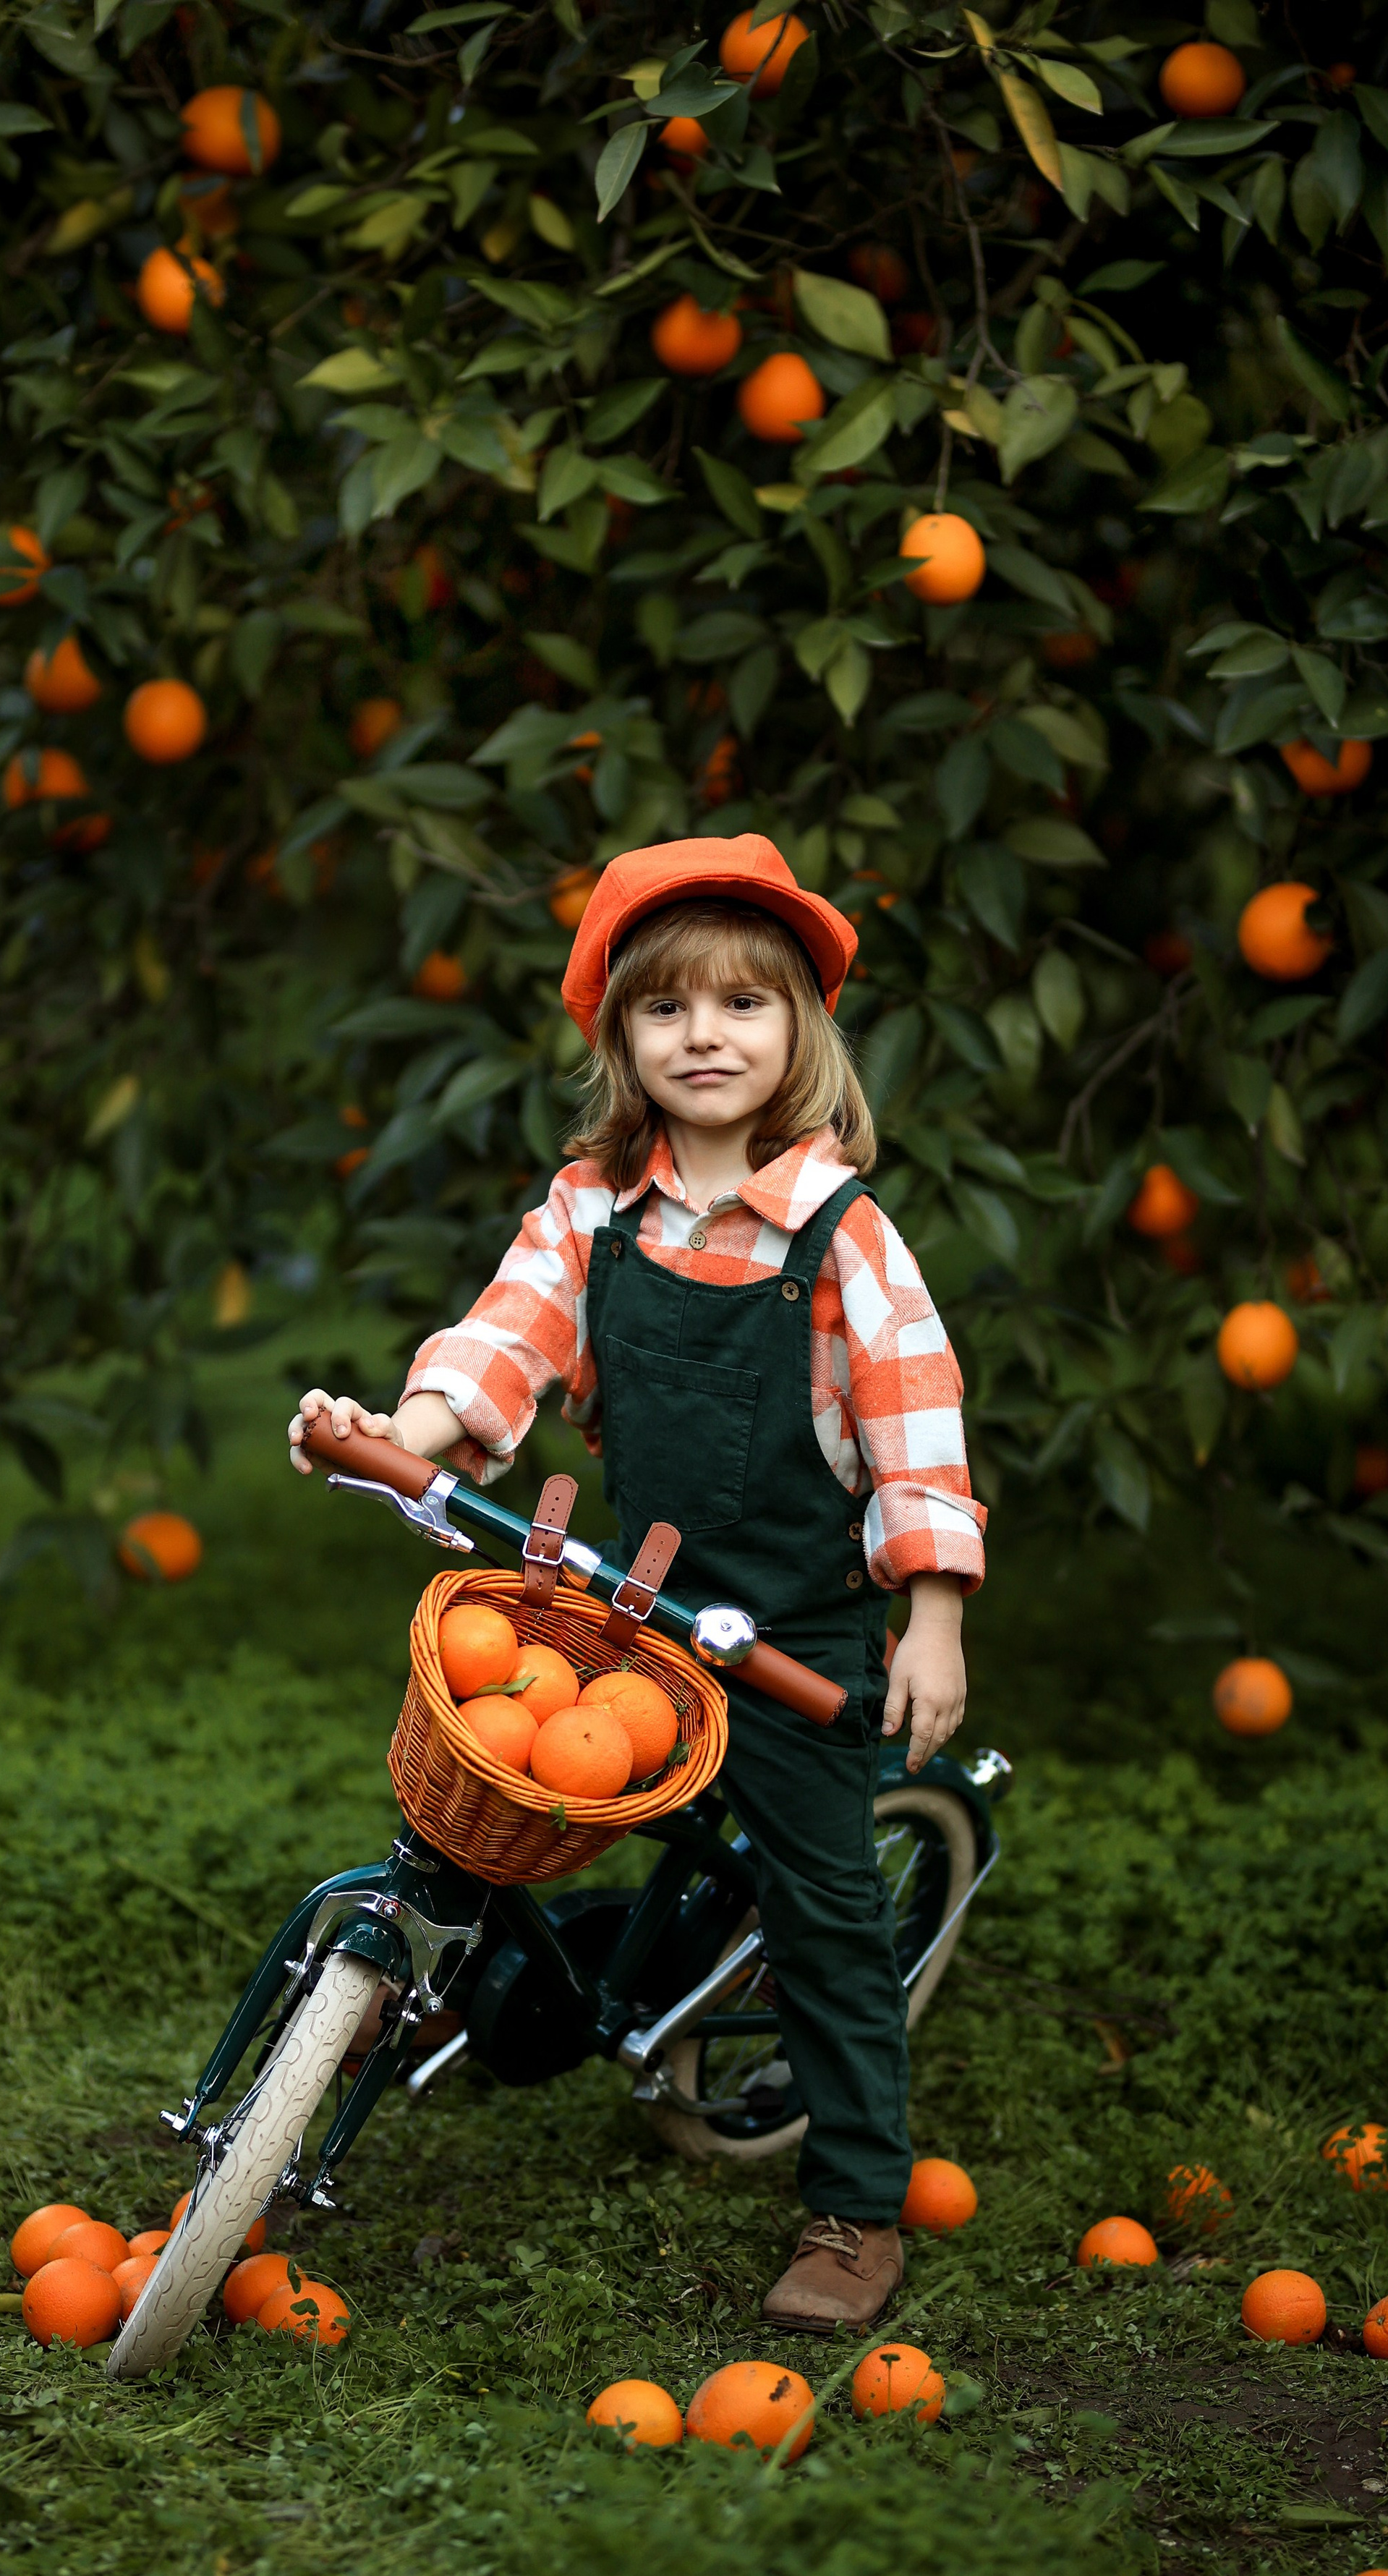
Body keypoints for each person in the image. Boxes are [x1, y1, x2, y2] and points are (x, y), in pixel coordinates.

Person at [291, 834, 984, 2331]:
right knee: (503, 1783)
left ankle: (856, 2208)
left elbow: (915, 1433)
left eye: (741, 1004)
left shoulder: (844, 1236)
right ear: (622, 1038)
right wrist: (398, 1433)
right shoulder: (591, 1209)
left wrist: (930, 1615)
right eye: (666, 1008)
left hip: (792, 1625)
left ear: (801, 1028)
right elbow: (504, 1340)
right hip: (632, 1599)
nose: (703, 1036)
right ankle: (405, 2004)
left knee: (823, 1910)